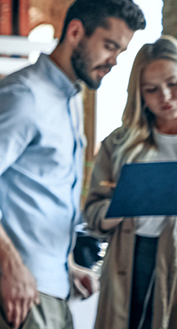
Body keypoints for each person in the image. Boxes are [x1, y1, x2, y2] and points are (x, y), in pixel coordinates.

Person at [0, 0, 146, 329]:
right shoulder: (24, 95)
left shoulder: (67, 100)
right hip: (21, 281)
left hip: (48, 282)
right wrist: (13, 266)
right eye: (110, 46)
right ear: (75, 32)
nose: (114, 61)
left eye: (121, 51)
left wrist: (63, 266)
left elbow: (36, 195)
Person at [84, 37, 177, 329]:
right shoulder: (118, 143)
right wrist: (126, 202)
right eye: (151, 90)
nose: (165, 96)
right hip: (131, 256)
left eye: (173, 84)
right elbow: (92, 214)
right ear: (139, 94)